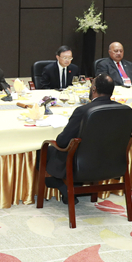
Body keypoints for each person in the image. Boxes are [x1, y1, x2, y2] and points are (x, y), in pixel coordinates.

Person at [44, 74, 118, 203]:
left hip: (81, 163)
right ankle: (75, 188)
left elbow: (62, 142)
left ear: (94, 89)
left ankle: (65, 188)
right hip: (112, 161)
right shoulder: (123, 109)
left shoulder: (83, 111)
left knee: (46, 150)